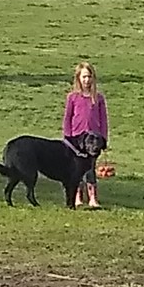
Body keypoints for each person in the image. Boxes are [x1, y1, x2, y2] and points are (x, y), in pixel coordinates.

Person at [62, 60, 109, 208]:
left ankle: (93, 197)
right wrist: (67, 137)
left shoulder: (98, 98)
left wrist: (103, 138)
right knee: (76, 169)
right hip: (76, 140)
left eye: (89, 77)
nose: (87, 80)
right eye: (84, 77)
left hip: (93, 141)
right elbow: (68, 118)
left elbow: (103, 119)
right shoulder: (73, 97)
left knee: (90, 168)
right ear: (78, 78)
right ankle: (77, 196)